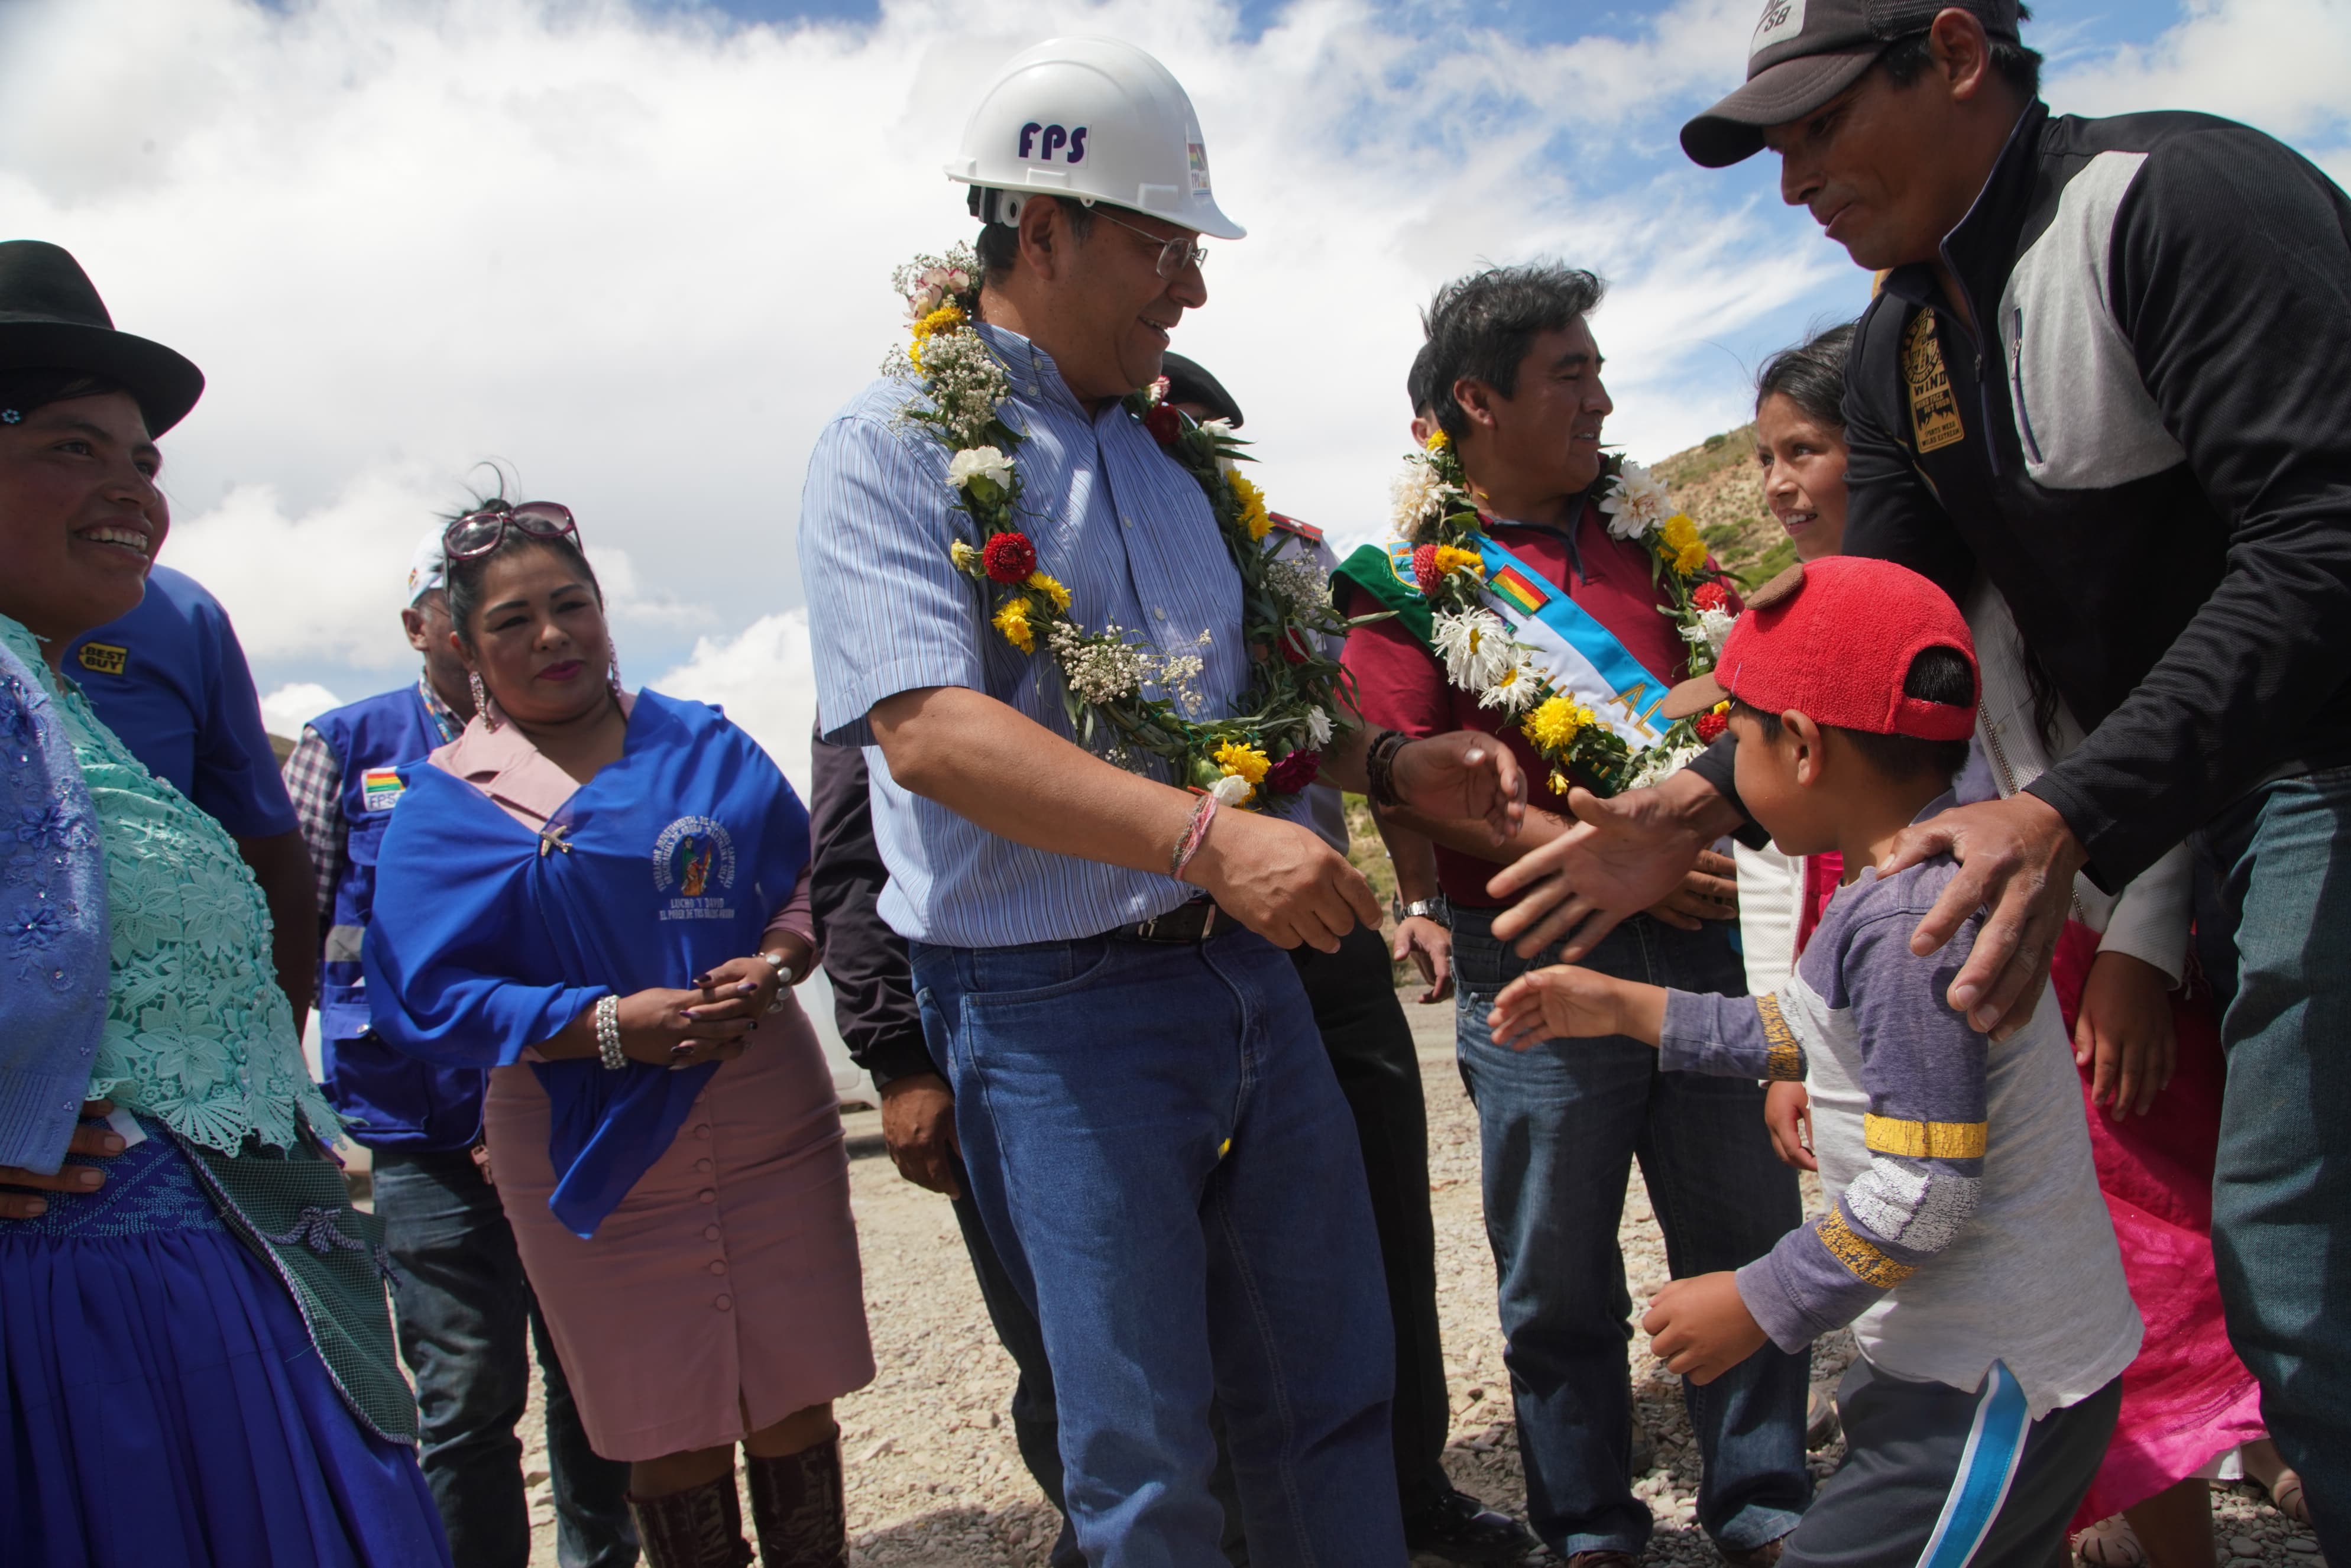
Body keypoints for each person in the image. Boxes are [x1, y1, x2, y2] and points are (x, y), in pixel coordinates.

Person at [1494, 5, 2351, 1538]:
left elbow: (2320, 543)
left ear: (1955, 53)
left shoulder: (2176, 206)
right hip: (2177, 803)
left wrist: (2070, 809)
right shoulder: (1908, 343)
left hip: (2309, 764)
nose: (1793, 181)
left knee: (2292, 1253)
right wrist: (1694, 803)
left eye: (1822, 125)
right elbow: (1872, 627)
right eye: (1776, 146)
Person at [798, 37, 1523, 1567]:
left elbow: (1270, 698)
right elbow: (928, 733)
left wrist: (1394, 767)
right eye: (1159, 244)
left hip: (1251, 977)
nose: (1189, 289)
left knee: (1327, 1392)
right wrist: (1204, 838)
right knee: (1141, 1451)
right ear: (1041, 229)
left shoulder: (1179, 456)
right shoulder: (889, 447)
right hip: (1051, 1009)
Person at [1490, 555, 2143, 1565]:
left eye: (1733, 733)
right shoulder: (1905, 875)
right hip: (1961, 1362)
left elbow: (1925, 1190)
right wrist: (1623, 1006)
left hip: (1990, 1382)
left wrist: (1760, 1300)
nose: (1723, 759)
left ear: (1800, 746)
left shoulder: (1906, 923)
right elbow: (1814, 1031)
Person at [1336, 263, 1809, 1568]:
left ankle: (1764, 1502)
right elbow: (1409, 773)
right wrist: (1614, 856)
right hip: (1533, 947)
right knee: (1553, 1264)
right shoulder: (1400, 580)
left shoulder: (1651, 538)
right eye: (1570, 375)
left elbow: (1745, 685)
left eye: (1599, 372)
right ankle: (1589, 1524)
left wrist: (1689, 831)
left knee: (1743, 1227)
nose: (1601, 400)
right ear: (1477, 402)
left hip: (1705, 936)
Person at [0, 238, 451, 1565]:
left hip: (203, 1289)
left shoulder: (52, 692)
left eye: (144, 462)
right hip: (97, 1329)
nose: (133, 491)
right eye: (74, 448)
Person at [362, 499, 873, 1567]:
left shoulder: (704, 741)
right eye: (512, 622)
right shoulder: (444, 803)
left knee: (796, 1394)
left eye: (571, 605)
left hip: (767, 1113)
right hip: (585, 1141)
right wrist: (599, 1025)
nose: (551, 636)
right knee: (664, 1422)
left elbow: (806, 878)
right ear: (464, 649)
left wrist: (777, 962)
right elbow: (427, 993)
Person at [281, 527, 636, 1567]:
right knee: (466, 1391)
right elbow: (290, 930)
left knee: (595, 1372)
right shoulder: (345, 747)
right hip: (420, 1126)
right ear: (423, 625)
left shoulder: (587, 734)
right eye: (469, 604)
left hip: (572, 1109)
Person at [63, 561, 318, 1019]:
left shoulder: (182, 612)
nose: (134, 500)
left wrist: (272, 1044)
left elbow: (270, 858)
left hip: (140, 1028)